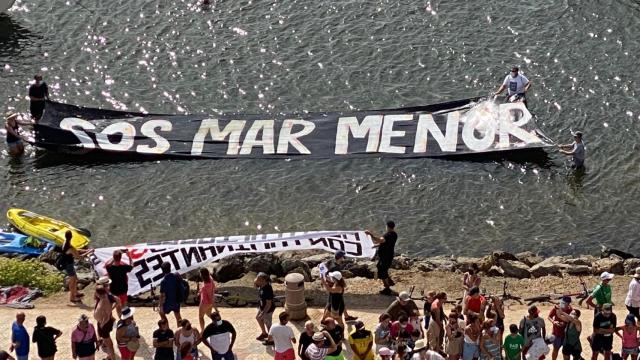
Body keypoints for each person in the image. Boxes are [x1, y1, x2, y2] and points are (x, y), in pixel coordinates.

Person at [321, 250, 358, 321]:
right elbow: (330, 276)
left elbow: (325, 267)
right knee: (329, 304)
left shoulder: (331, 261)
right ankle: (323, 320)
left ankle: (346, 316)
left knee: (340, 302)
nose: (343, 258)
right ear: (340, 257)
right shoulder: (335, 267)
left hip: (334, 286)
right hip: (334, 287)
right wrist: (329, 282)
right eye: (343, 257)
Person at [58, 231, 92, 303]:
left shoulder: (65, 243)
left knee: (75, 279)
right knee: (73, 281)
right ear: (71, 237)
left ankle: (76, 292)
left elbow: (75, 250)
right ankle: (72, 298)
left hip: (67, 264)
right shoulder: (70, 247)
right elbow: (79, 257)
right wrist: (89, 252)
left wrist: (86, 250)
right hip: (69, 265)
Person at [365, 221, 398, 295]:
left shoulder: (387, 235)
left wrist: (370, 234)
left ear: (387, 226)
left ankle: (387, 288)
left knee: (382, 271)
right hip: (389, 255)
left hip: (385, 256)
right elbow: (384, 243)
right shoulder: (395, 234)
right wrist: (376, 246)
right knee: (381, 268)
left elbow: (379, 240)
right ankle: (388, 282)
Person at [93, 284, 117, 360]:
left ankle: (112, 358)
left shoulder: (105, 301)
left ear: (98, 293)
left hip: (104, 324)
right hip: (102, 323)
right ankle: (110, 356)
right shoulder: (102, 298)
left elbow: (107, 314)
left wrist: (102, 324)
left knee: (109, 343)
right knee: (106, 341)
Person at [159, 261, 183, 327]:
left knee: (162, 314)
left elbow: (162, 295)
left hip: (168, 302)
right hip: (176, 300)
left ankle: (167, 330)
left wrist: (161, 306)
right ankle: (180, 331)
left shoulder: (163, 281)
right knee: (178, 316)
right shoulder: (175, 276)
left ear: (162, 270)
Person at [255, 272, 276, 343]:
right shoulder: (261, 285)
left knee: (268, 325)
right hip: (262, 307)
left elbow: (268, 304)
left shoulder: (267, 290)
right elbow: (255, 284)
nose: (256, 280)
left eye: (258, 279)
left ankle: (271, 339)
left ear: (263, 280)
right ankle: (264, 334)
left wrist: (263, 313)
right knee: (258, 318)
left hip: (268, 309)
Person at [198, 268, 217, 332]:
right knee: (209, 315)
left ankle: (202, 331)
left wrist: (216, 309)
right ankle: (216, 325)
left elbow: (210, 296)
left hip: (204, 303)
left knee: (201, 317)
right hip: (209, 304)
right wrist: (201, 291)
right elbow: (214, 287)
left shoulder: (206, 285)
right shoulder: (210, 279)